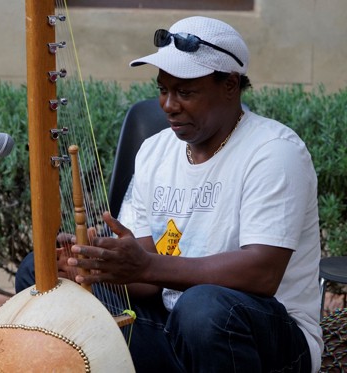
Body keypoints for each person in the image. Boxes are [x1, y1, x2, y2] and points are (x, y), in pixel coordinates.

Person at [16, 16, 323, 372]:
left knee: (202, 309)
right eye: (163, 89)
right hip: (176, 328)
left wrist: (148, 265)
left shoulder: (273, 151)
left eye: (185, 92)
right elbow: (147, 283)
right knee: (43, 273)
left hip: (264, 340)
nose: (168, 105)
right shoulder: (155, 151)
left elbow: (262, 274)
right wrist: (102, 263)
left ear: (230, 86)